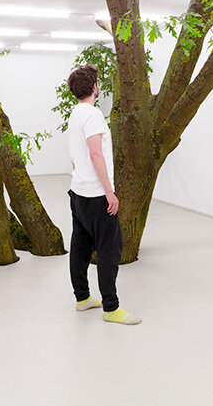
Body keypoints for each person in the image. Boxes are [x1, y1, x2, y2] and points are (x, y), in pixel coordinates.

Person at [66, 64, 141, 325]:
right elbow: (95, 153)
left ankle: (82, 298)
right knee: (110, 249)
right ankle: (111, 308)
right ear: (94, 87)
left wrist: (81, 176)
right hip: (96, 195)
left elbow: (76, 155)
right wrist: (109, 192)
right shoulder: (93, 114)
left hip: (78, 192)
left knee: (80, 247)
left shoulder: (75, 114)